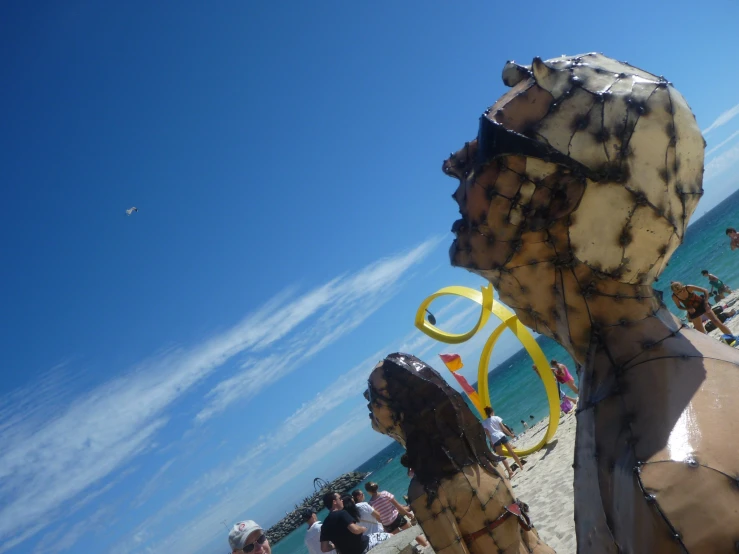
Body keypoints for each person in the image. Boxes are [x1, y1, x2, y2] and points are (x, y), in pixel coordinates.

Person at [441, 52, 739, 551]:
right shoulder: (626, 391)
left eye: (481, 154)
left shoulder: (672, 478)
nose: (453, 169)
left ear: (556, 197)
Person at [367, 353, 554, 554]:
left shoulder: (427, 491)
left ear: (401, 408)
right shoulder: (481, 458)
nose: (370, 408)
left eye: (374, 400)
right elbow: (527, 528)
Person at [319, 491, 390, 554]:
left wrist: (335, 545)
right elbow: (355, 530)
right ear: (334, 502)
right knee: (390, 536)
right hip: (362, 547)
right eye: (340, 499)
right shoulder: (342, 513)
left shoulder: (324, 525)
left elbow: (324, 548)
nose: (342, 501)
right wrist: (362, 529)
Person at [670, 281, 735, 335]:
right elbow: (679, 306)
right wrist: (687, 309)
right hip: (693, 311)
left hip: (702, 305)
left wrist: (706, 303)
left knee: (716, 322)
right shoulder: (674, 296)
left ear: (682, 286)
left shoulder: (688, 287)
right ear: (674, 292)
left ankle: (731, 337)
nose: (680, 292)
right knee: (701, 333)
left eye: (681, 290)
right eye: (678, 292)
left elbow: (705, 291)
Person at [482, 406, 526, 473]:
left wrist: (491, 441)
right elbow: (503, 428)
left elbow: (487, 433)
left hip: (494, 438)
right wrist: (511, 435)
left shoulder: (484, 423)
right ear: (492, 412)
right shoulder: (496, 418)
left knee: (501, 456)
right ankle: (520, 465)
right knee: (511, 451)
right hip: (501, 435)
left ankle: (509, 471)